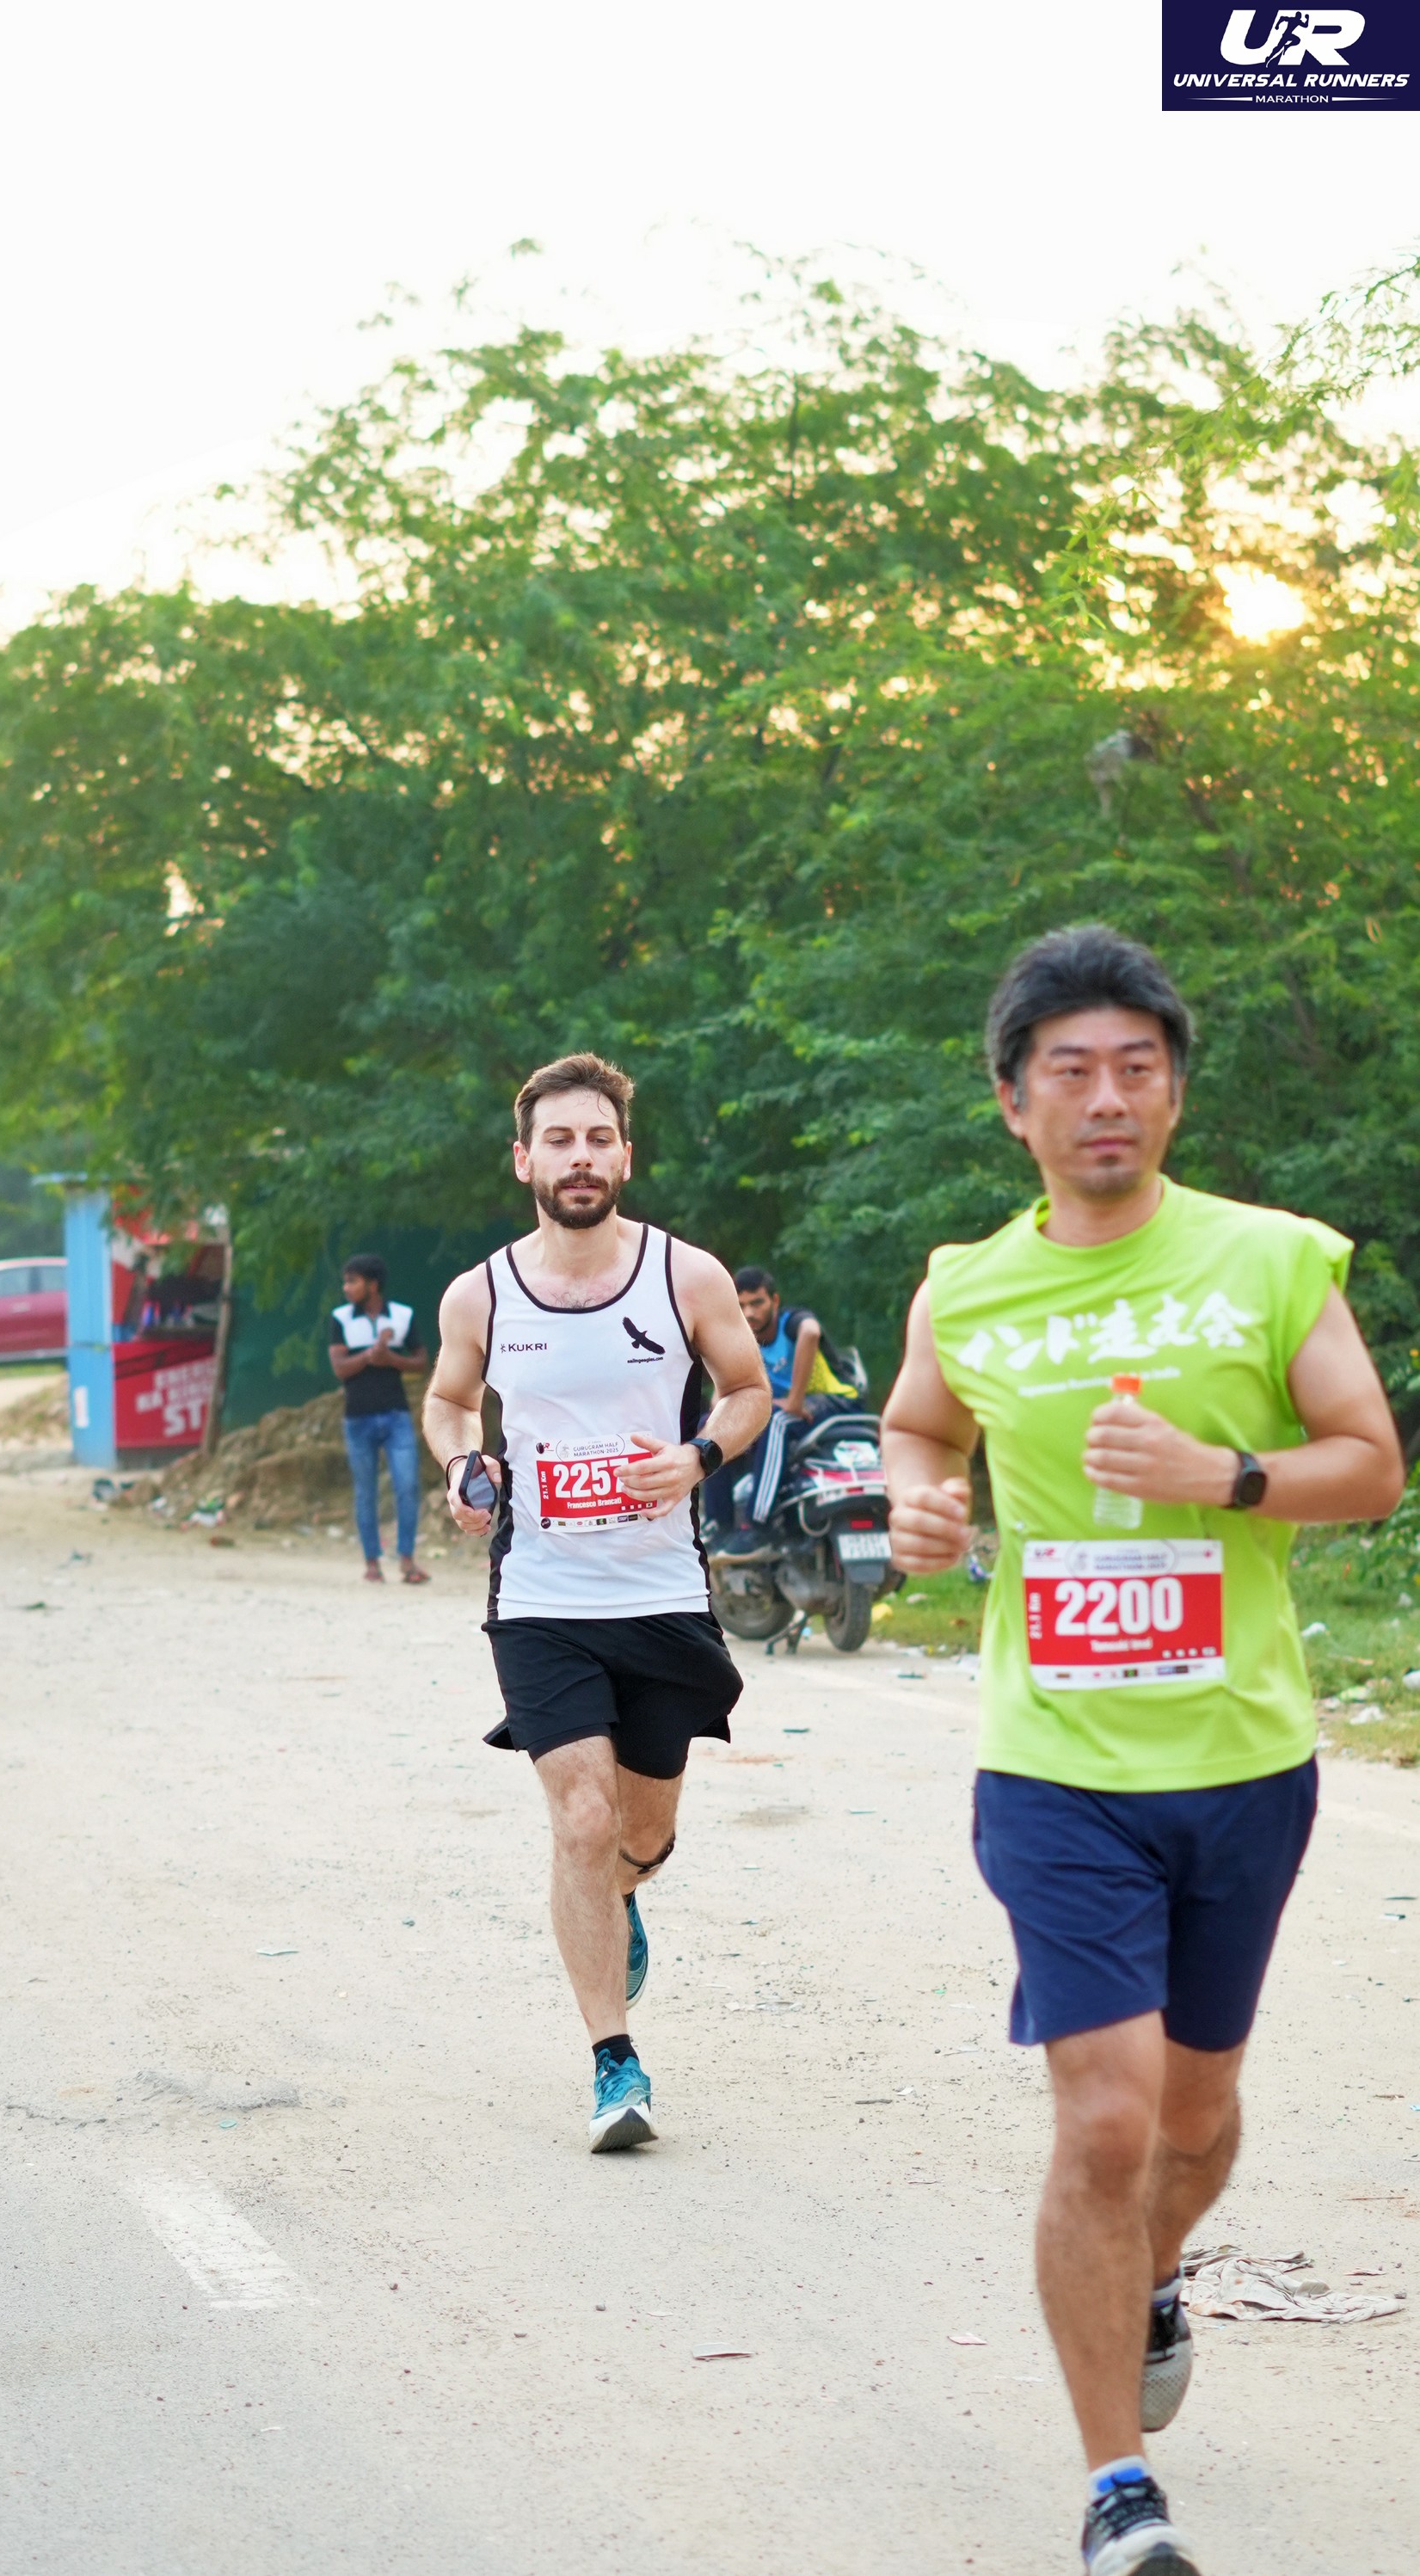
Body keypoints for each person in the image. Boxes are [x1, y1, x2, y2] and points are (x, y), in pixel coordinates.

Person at [881, 925, 1404, 2576]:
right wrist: (917, 1501)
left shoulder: (1269, 1261)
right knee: (1103, 2123)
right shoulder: (967, 1285)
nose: (1105, 1096)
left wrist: (1220, 1477)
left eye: (1135, 1067)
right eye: (1070, 1070)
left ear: (1172, 1091)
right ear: (1011, 1102)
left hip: (1240, 1760)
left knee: (1192, 2122)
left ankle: (1154, 2273)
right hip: (1053, 1763)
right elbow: (916, 1424)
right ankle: (1117, 2489)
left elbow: (1369, 1463)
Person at [423, 1052, 771, 2153]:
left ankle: (622, 1896)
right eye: (558, 1141)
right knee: (579, 1819)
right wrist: (462, 1463)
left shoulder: (686, 1277)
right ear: (522, 1159)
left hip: (661, 1593)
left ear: (625, 1155)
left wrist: (697, 1454)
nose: (579, 1158)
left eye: (597, 1139)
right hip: (539, 1595)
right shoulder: (481, 1293)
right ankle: (613, 2059)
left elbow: (749, 1389)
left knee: (641, 1832)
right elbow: (446, 1401)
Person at [704, 1265, 865, 1549]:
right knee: (711, 1425)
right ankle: (720, 1526)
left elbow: (811, 1332)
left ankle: (758, 1526)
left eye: (757, 1303)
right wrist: (724, 1414)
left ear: (775, 1301)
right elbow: (720, 1397)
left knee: (778, 1421)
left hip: (834, 1400)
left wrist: (794, 1401)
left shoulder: (791, 1322)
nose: (750, 1312)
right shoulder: (741, 1338)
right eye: (742, 1306)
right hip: (791, 1410)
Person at [329, 1254, 431, 1585]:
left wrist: (390, 1359)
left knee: (407, 1486)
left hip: (396, 1414)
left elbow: (421, 1362)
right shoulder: (340, 1318)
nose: (346, 1288)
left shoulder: (402, 1316)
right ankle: (372, 1562)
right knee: (366, 1492)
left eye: (352, 1281)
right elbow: (340, 1369)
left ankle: (406, 1559)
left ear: (372, 1285)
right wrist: (371, 1355)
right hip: (357, 1418)